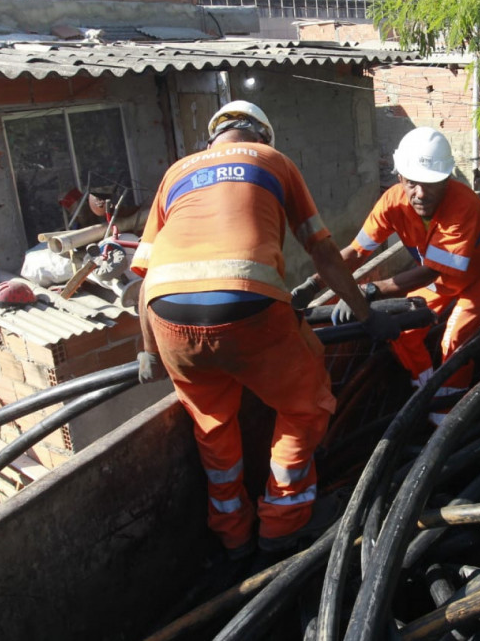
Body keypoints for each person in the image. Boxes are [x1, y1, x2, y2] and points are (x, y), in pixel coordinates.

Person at [131, 100, 399, 559]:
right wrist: (367, 316)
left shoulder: (176, 173)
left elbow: (146, 273)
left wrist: (149, 351)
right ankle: (282, 523)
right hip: (248, 306)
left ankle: (233, 535)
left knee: (212, 425)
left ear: (214, 137)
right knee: (305, 405)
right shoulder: (273, 161)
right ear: (261, 135)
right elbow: (323, 252)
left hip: (168, 315)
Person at [291, 127, 480, 426]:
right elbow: (356, 252)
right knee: (404, 332)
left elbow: (432, 271)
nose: (421, 193)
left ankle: (449, 410)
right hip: (442, 277)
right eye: (412, 183)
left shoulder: (463, 204)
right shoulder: (392, 203)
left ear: (447, 179)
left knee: (455, 339)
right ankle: (425, 388)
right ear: (399, 178)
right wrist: (314, 283)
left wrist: (369, 290)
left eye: (431, 183)